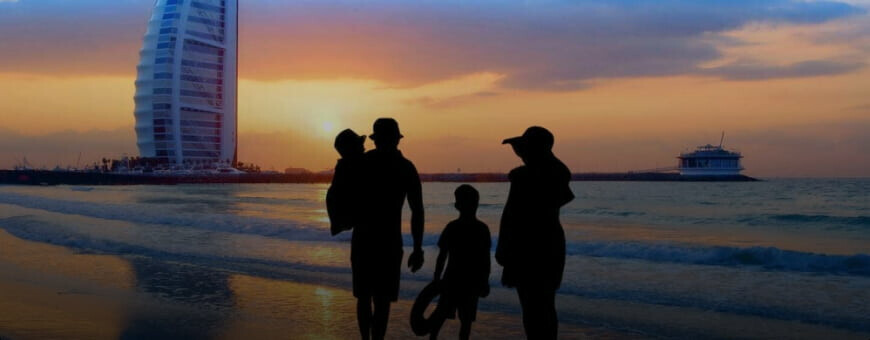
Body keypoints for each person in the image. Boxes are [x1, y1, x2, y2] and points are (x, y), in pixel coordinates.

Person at [496, 126, 574, 340]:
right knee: (543, 305)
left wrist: (503, 247)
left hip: (529, 247)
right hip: (549, 244)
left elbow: (511, 215)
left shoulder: (527, 178)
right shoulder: (557, 173)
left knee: (534, 306)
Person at [353, 118, 425, 340]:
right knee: (381, 300)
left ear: (376, 140)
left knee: (364, 297)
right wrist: (418, 247)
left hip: (364, 239)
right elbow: (417, 211)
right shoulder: (406, 167)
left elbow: (346, 197)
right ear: (396, 139)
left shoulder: (363, 163)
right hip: (389, 242)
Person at [429, 184, 491, 340]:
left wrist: (437, 278)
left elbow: (442, 256)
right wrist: (484, 281)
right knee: (465, 322)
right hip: (471, 282)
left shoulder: (452, 227)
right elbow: (485, 260)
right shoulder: (482, 229)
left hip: (452, 279)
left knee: (440, 317)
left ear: (457, 205)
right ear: (476, 204)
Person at [326, 129, 367, 236]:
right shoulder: (351, 168)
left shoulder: (344, 167)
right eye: (360, 145)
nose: (364, 147)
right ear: (352, 148)